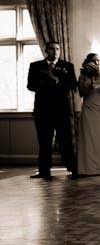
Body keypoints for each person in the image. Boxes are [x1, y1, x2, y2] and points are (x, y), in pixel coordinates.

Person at [27, 41, 77, 179]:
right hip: (42, 110)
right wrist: (46, 82)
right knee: (44, 142)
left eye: (58, 49)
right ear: (46, 50)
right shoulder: (35, 66)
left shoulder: (67, 66)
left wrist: (56, 81)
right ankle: (44, 171)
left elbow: (73, 85)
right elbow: (30, 85)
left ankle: (73, 169)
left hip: (62, 110)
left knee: (66, 141)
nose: (55, 52)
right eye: (52, 49)